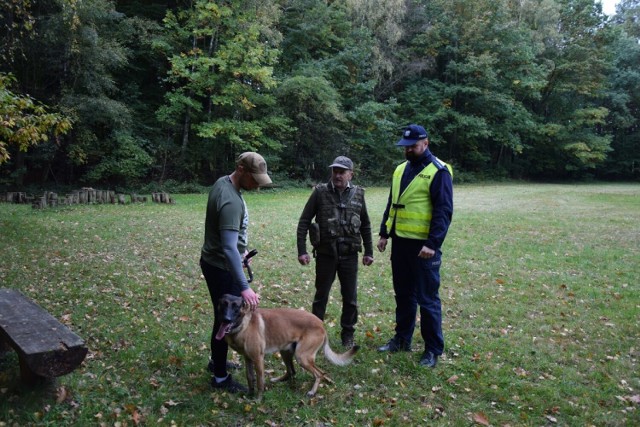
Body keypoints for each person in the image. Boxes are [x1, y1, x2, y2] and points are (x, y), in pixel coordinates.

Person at [376, 124, 453, 368]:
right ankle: (402, 339)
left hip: (424, 247)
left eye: (413, 146)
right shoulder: (400, 169)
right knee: (404, 295)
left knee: (427, 299)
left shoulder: (438, 171)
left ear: (425, 143)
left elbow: (443, 210)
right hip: (400, 243)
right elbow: (393, 202)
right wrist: (384, 233)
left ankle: (432, 350)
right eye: (405, 146)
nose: (408, 150)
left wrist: (433, 243)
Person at [200, 152, 272, 392]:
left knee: (222, 316)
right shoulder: (230, 200)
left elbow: (229, 242)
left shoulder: (223, 183)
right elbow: (228, 246)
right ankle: (220, 378)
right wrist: (244, 286)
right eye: (255, 179)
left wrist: (239, 253)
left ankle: (216, 362)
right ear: (241, 169)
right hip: (222, 267)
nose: (257, 186)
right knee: (226, 318)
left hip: (217, 262)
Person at [296, 156, 374, 349]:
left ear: (350, 174)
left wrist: (369, 251)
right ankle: (314, 334)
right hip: (326, 255)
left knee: (350, 298)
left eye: (342, 171)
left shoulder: (358, 194)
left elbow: (365, 224)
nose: (337, 175)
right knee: (321, 296)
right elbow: (304, 221)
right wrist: (302, 250)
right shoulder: (320, 193)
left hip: (349, 255)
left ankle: (348, 334)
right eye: (335, 171)